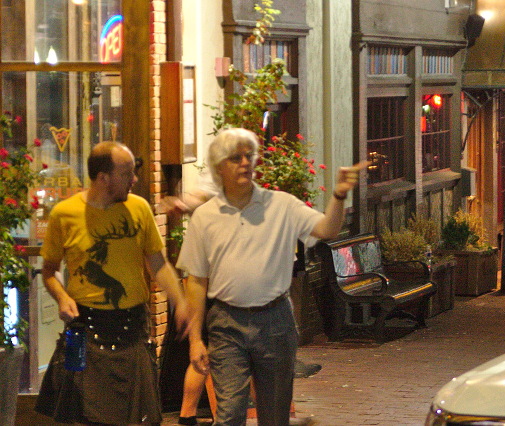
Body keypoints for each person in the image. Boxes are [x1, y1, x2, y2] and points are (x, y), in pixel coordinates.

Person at [176, 128, 368, 425]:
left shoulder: (282, 205)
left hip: (275, 320)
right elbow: (197, 280)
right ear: (218, 168)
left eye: (248, 156)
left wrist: (339, 194)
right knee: (229, 415)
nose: (244, 163)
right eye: (235, 158)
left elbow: (326, 229)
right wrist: (196, 341)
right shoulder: (205, 217)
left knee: (275, 414)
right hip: (227, 322)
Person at [35, 142, 192, 425]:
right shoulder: (64, 214)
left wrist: (180, 302)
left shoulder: (139, 208)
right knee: (85, 418)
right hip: (85, 329)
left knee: (141, 419)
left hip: (132, 329)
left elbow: (158, 264)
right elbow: (48, 271)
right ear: (103, 178)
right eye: (127, 173)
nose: (134, 179)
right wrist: (61, 297)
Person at [163, 171, 322, 426]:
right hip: (224, 308)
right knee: (226, 407)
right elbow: (200, 199)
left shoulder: (269, 210)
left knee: (269, 406)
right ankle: (187, 414)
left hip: (262, 312)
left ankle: (188, 414)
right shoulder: (215, 201)